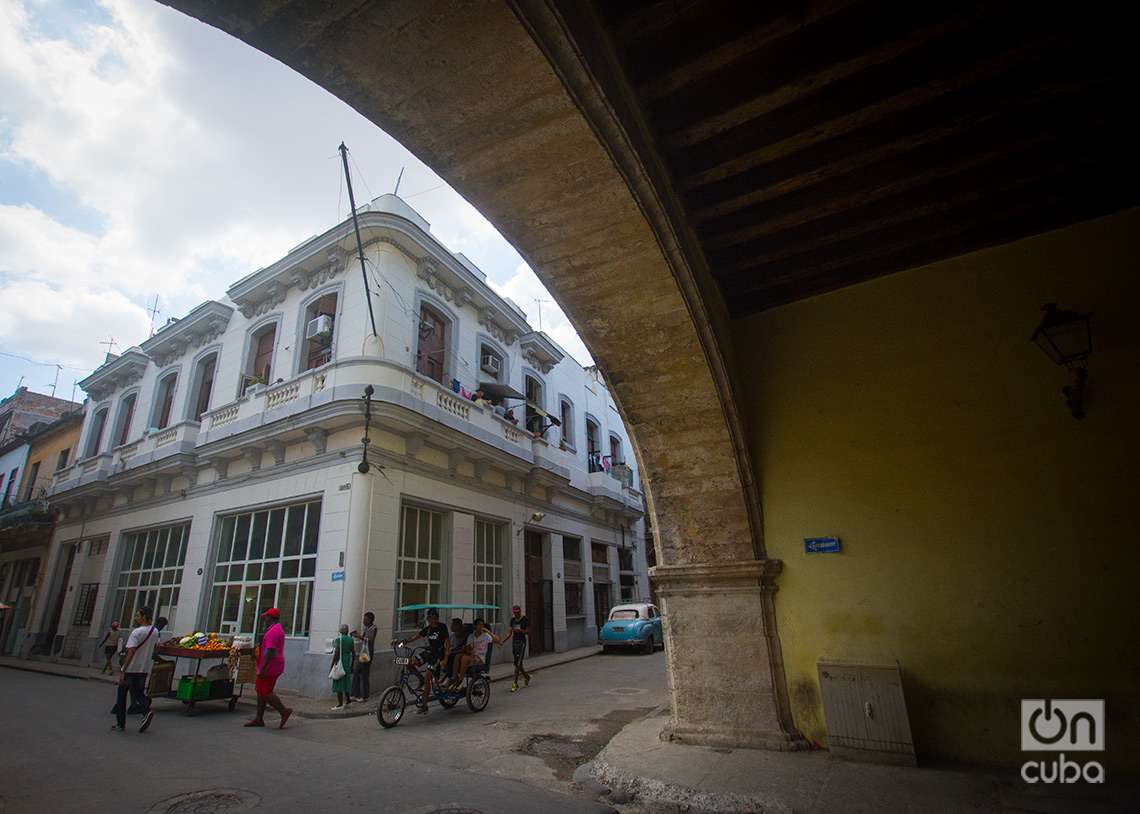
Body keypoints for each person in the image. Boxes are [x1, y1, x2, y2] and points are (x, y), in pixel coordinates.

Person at [245, 607, 293, 729]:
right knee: (261, 691)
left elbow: (270, 651)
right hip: (271, 665)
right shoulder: (275, 629)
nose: (264, 619)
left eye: (266, 617)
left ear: (271, 618)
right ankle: (259, 718)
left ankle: (284, 711)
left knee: (264, 691)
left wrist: (263, 668)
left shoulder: (273, 631)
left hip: (270, 667)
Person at [111, 606, 157, 734]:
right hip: (143, 668)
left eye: (137, 615)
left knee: (122, 695)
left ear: (144, 617)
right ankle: (146, 711)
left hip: (131, 669)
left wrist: (123, 670)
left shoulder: (136, 632)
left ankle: (121, 723)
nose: (135, 618)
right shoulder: (155, 631)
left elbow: (130, 652)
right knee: (138, 693)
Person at [396, 607, 449, 714]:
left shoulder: (442, 627)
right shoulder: (428, 629)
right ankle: (419, 678)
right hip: (428, 653)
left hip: (438, 656)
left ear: (437, 618)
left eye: (434, 617)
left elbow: (447, 644)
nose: (432, 620)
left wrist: (446, 658)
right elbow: (415, 637)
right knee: (408, 662)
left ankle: (424, 705)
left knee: (427, 677)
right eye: (430, 618)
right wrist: (401, 644)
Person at [448, 617, 501, 689]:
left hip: (480, 659)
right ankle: (454, 677)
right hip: (472, 656)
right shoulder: (471, 636)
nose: (481, 627)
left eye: (482, 625)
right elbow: (468, 648)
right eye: (479, 625)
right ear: (475, 626)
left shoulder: (486, 636)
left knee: (465, 658)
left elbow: (498, 641)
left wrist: (488, 631)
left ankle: (460, 681)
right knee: (457, 656)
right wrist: (469, 649)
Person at [503, 605, 533, 693]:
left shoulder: (525, 619)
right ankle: (527, 677)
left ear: (520, 611)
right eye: (514, 612)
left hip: (522, 643)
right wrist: (502, 641)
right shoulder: (512, 620)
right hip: (514, 643)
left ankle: (515, 683)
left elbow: (528, 631)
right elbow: (510, 632)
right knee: (517, 663)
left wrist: (521, 631)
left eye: (517, 612)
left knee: (518, 663)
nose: (516, 614)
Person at [350, 611, 377, 702]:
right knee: (356, 672)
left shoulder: (373, 628)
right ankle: (355, 694)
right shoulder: (366, 628)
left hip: (367, 653)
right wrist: (358, 635)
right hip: (363, 652)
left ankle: (364, 695)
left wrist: (358, 636)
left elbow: (370, 641)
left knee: (364, 673)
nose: (364, 621)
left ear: (370, 620)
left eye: (365, 619)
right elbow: (364, 638)